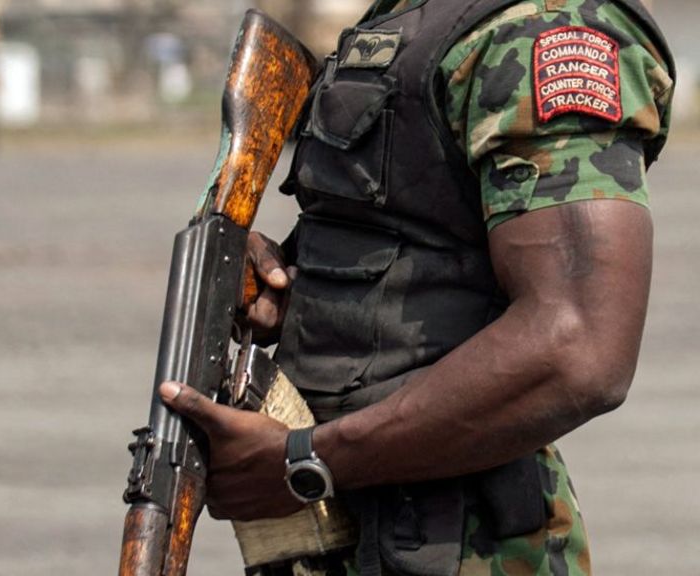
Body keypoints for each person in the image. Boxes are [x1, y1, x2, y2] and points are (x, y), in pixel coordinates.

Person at [159, 0, 676, 574]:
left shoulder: (542, 27)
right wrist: (293, 281)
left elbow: (578, 348)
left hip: (457, 547)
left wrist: (304, 463)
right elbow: (413, 235)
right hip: (345, 532)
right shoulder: (411, 16)